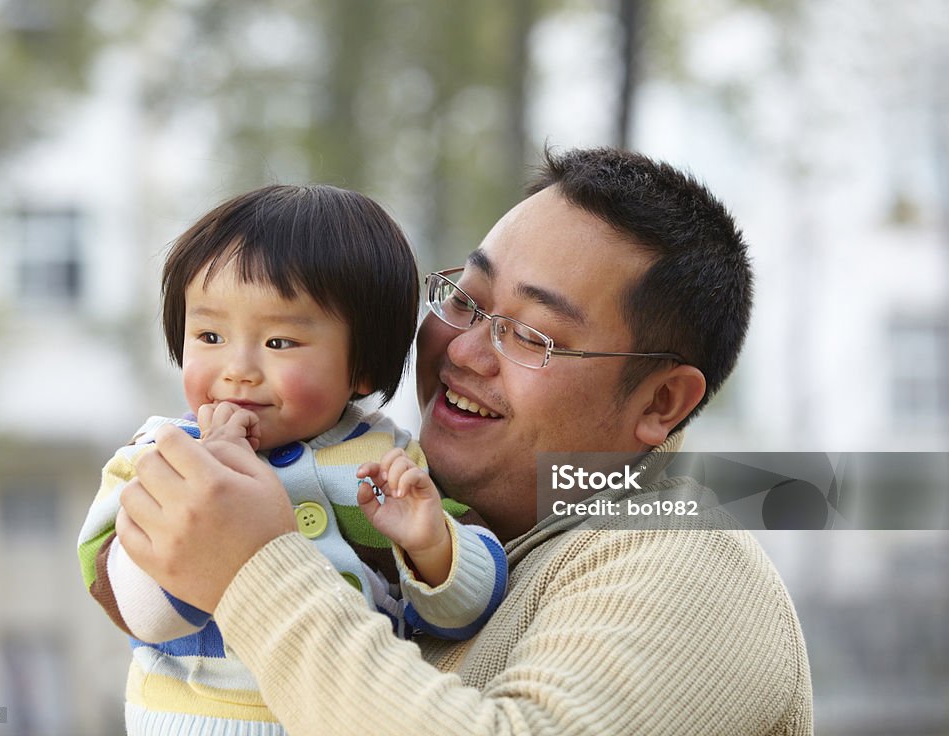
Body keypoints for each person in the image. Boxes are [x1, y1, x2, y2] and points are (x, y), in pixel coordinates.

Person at [116, 148, 814, 734]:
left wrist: (253, 568)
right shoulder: (392, 508)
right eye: (465, 301)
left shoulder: (686, 562)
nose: (464, 351)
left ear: (661, 402)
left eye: (532, 335)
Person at [77, 184, 507, 735]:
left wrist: (431, 546)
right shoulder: (157, 460)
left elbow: (467, 617)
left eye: (279, 343)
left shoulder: (386, 466)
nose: (237, 369)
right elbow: (141, 615)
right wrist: (209, 491)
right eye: (209, 334)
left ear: (363, 369)